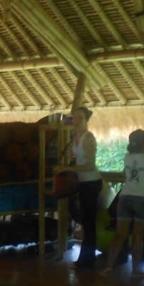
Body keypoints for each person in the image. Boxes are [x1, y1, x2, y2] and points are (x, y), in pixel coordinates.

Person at [102, 130, 144, 278]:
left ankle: (108, 267)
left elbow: (126, 173)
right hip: (143, 199)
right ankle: (136, 271)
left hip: (125, 198)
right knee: (138, 237)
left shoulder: (127, 158)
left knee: (120, 235)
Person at [56, 106, 102, 270]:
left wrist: (68, 169)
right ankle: (86, 259)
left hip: (91, 182)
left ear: (86, 120)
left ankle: (86, 261)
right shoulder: (75, 137)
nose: (76, 120)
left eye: (80, 118)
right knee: (82, 218)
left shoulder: (88, 138)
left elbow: (89, 165)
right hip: (82, 183)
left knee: (88, 222)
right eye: (74, 117)